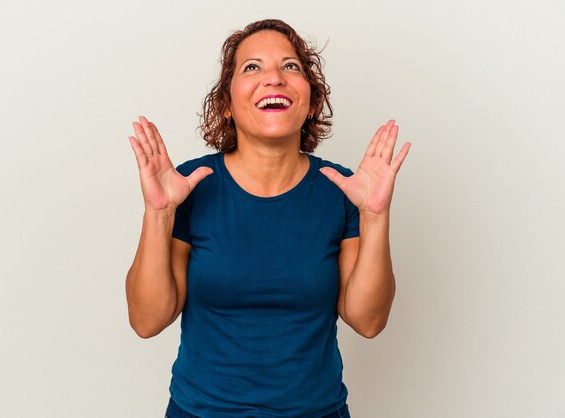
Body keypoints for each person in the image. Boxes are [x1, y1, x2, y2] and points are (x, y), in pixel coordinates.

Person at [126, 19, 411, 418]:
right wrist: (158, 213)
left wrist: (376, 215)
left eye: (290, 66)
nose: (273, 78)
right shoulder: (190, 186)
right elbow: (146, 320)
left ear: (311, 101)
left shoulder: (344, 190)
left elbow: (367, 321)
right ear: (226, 103)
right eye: (252, 67)